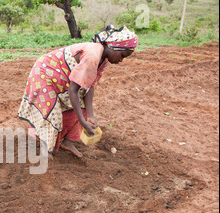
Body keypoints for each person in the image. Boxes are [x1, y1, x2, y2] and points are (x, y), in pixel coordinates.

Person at [18, 25, 138, 158]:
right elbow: (73, 91)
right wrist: (82, 120)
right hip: (44, 73)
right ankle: (46, 150)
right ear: (113, 46)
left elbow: (90, 86)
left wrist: (90, 116)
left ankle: (67, 142)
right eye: (122, 55)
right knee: (52, 111)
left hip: (61, 75)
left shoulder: (104, 59)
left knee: (82, 106)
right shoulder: (93, 56)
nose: (121, 60)